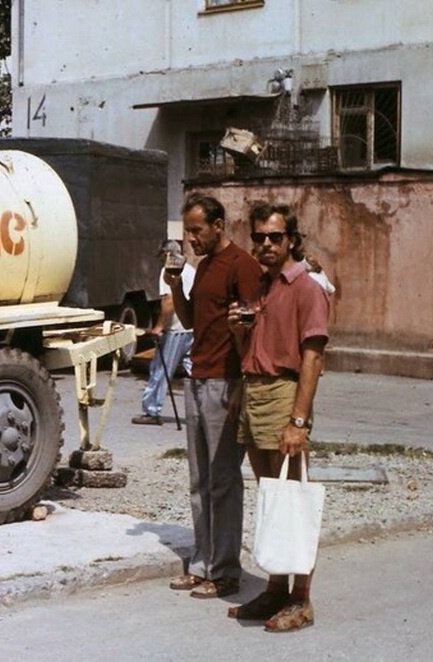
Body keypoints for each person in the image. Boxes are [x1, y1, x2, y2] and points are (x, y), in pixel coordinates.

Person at [227, 203, 329, 632]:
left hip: (285, 395)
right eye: (260, 238)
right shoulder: (263, 287)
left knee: (293, 499)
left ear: (291, 240)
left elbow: (313, 357)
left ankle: (301, 599)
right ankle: (274, 590)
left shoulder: (307, 287)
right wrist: (239, 332)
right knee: (272, 499)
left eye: (275, 237)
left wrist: (299, 421)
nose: (266, 245)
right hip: (255, 394)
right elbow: (252, 351)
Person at [165, 193, 263, 598]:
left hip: (225, 381)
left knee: (222, 480)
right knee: (199, 480)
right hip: (197, 376)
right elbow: (190, 321)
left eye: (196, 230)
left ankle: (224, 571)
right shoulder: (203, 267)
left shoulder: (243, 266)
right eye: (187, 230)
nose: (190, 238)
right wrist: (177, 286)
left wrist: (243, 383)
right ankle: (203, 563)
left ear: (219, 225)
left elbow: (254, 328)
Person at [133, 240, 195, 426]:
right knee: (194, 369)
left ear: (168, 254)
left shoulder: (169, 271)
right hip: (191, 327)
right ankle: (204, 406)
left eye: (161, 256)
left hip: (176, 329)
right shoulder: (191, 269)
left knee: (160, 368)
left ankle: (152, 410)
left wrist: (159, 327)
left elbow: (169, 302)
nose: (160, 261)